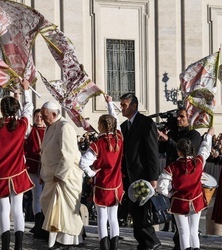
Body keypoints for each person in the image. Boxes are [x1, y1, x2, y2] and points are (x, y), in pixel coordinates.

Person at [0, 79, 34, 250]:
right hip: (17, 172)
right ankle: (18, 246)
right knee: (18, 210)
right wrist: (25, 91)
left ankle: (5, 247)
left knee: (4, 210)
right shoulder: (21, 126)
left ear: (1, 110)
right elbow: (28, 109)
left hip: (0, 173)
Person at [157, 127, 214, 250]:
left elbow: (161, 186)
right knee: (194, 232)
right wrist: (209, 135)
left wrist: (170, 194)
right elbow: (205, 150)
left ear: (178, 151)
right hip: (196, 199)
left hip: (179, 201)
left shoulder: (172, 167)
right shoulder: (198, 162)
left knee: (183, 232)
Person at [79, 95, 123, 250]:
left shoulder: (98, 144)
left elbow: (83, 163)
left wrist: (91, 174)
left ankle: (104, 247)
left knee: (102, 219)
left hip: (103, 185)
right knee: (114, 218)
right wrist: (110, 103)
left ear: (103, 126)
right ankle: (114, 247)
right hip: (116, 184)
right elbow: (115, 119)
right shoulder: (119, 138)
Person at [39, 101, 84, 250]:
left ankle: (65, 242)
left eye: (45, 116)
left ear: (54, 114)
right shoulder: (51, 126)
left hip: (65, 177)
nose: (42, 119)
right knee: (50, 207)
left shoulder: (65, 127)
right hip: (51, 177)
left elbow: (69, 155)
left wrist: (60, 174)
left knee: (64, 212)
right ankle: (56, 239)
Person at [119, 92, 161, 250]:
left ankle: (151, 241)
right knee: (134, 210)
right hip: (129, 176)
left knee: (143, 211)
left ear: (134, 106)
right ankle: (143, 242)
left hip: (142, 175)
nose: (121, 108)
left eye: (124, 105)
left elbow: (152, 152)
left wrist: (153, 177)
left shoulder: (146, 123)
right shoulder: (124, 126)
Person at [158, 108, 202, 249]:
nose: (178, 119)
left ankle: (182, 246)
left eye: (182, 116)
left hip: (188, 184)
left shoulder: (194, 134)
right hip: (173, 179)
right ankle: (180, 245)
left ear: (189, 119)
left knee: (189, 229)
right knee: (181, 226)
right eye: (177, 117)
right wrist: (163, 139)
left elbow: (189, 152)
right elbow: (161, 150)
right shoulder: (173, 132)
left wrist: (169, 140)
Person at [24, 108, 48, 240]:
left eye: (41, 116)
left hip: (46, 167)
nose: (39, 118)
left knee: (46, 196)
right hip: (34, 167)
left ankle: (45, 222)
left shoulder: (49, 130)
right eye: (37, 116)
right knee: (37, 195)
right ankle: (37, 222)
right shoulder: (30, 130)